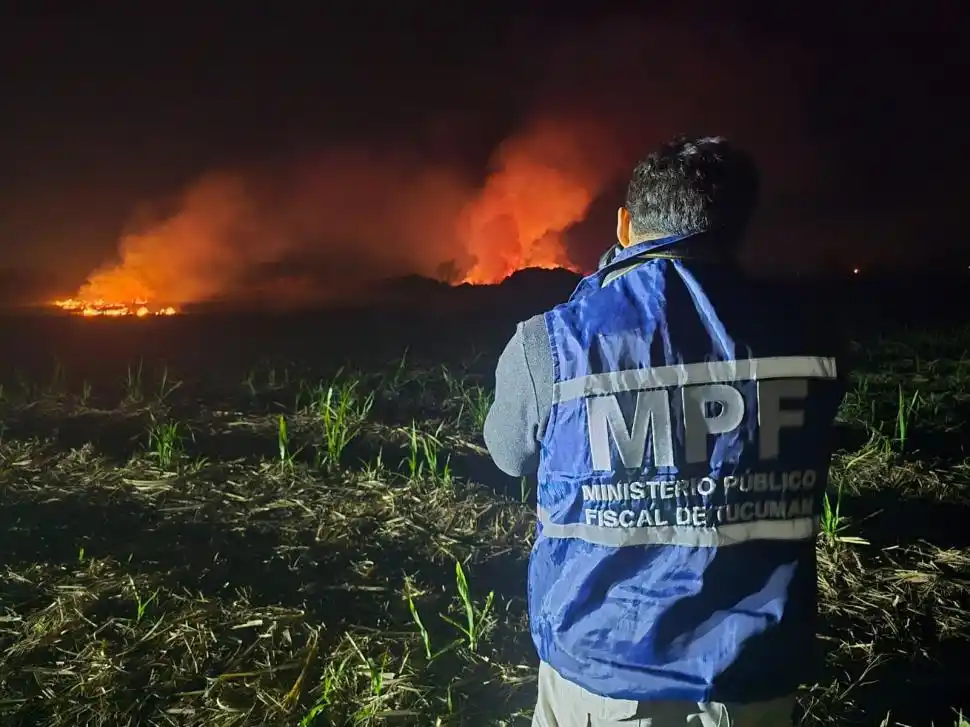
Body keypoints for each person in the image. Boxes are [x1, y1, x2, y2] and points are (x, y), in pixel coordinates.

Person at [483, 136, 848, 727]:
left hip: (600, 671)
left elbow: (506, 454)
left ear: (625, 225)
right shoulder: (811, 337)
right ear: (737, 230)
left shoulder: (551, 343)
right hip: (749, 673)